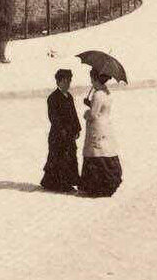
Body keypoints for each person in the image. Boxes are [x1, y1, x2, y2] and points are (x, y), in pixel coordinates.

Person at [79, 67, 122, 197]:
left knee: (95, 152)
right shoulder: (106, 92)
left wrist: (86, 112)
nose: (91, 81)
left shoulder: (97, 94)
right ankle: (107, 183)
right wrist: (90, 104)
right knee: (105, 151)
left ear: (95, 79)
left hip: (97, 127)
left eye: (92, 79)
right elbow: (102, 108)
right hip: (105, 125)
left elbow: (93, 114)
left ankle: (96, 186)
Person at [40, 69, 82, 193]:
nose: (67, 84)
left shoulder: (69, 97)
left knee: (70, 157)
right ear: (58, 82)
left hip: (69, 133)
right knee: (58, 158)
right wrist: (62, 130)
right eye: (65, 81)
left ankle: (68, 182)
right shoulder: (53, 98)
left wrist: (77, 128)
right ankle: (57, 183)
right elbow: (53, 117)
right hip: (57, 135)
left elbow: (74, 114)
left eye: (69, 81)